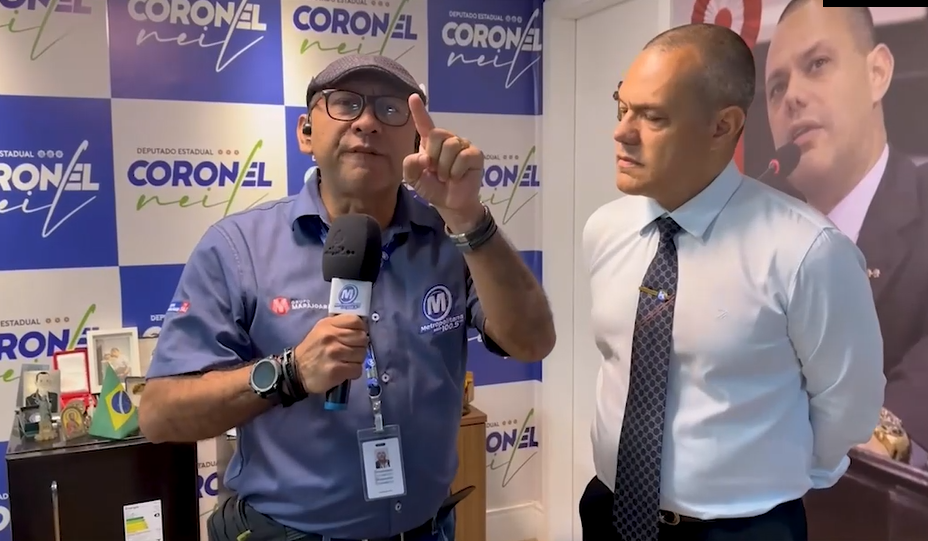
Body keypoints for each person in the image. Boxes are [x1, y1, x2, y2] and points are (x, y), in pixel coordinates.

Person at [138, 54, 555, 541]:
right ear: (305, 132)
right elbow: (160, 415)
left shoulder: (451, 237)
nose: (367, 122)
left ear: (415, 141)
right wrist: (288, 373)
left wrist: (469, 218)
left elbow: (532, 342)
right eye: (345, 103)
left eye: (390, 109)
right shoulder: (237, 248)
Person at [580, 23, 885, 541]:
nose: (622, 132)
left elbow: (847, 408)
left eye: (652, 117)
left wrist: (765, 487)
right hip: (609, 512)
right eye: (622, 108)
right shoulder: (606, 228)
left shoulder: (808, 252)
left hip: (742, 528)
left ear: (723, 126)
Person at [765, 0, 928, 465]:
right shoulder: (754, 246)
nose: (792, 96)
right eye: (776, 87)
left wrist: (880, 433)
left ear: (877, 72)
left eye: (817, 64)